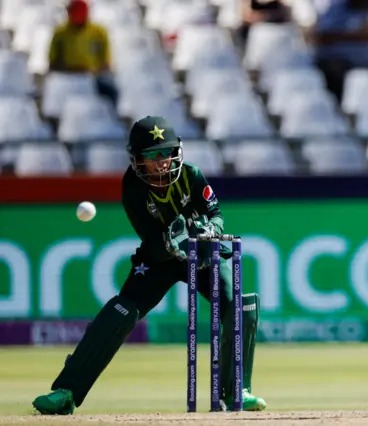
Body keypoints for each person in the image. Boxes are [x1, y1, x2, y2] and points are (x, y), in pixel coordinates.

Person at [32, 116, 267, 414]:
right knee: (121, 311)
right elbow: (155, 245)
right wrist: (176, 240)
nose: (160, 162)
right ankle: (67, 391)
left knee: (238, 306)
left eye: (165, 153)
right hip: (159, 260)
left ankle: (235, 393)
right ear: (137, 159)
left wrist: (210, 230)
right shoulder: (133, 188)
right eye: (152, 156)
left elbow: (216, 213)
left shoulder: (192, 175)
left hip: (203, 254)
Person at [48, 0, 118, 106]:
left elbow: (106, 63)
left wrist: (92, 71)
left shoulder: (99, 32)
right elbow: (52, 62)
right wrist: (70, 70)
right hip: (67, 78)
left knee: (112, 92)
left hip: (92, 77)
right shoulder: (60, 33)